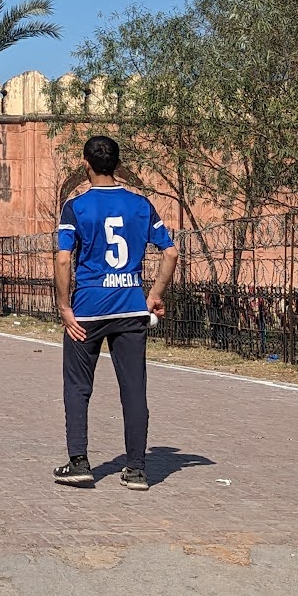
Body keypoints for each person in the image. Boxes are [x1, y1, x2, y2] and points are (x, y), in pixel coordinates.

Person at [52, 135, 179, 491]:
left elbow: (63, 259)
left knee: (78, 386)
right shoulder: (141, 204)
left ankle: (79, 463)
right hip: (130, 306)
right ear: (118, 165)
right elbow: (170, 253)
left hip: (88, 309)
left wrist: (64, 307)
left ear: (86, 164)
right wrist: (154, 295)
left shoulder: (76, 206)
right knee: (133, 388)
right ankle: (137, 469)